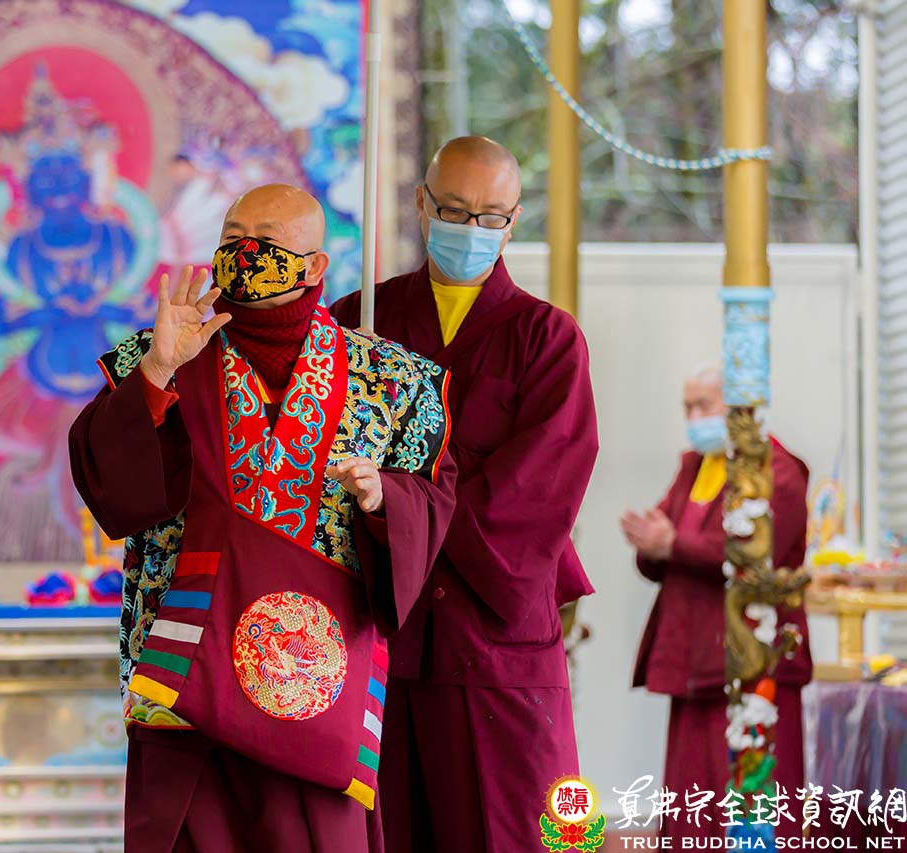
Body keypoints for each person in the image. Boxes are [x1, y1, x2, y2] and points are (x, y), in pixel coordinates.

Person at [69, 184, 458, 852]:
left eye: (267, 241)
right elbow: (111, 488)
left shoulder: (394, 379)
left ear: (315, 266)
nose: (246, 253)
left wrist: (383, 500)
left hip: (314, 679)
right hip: (185, 676)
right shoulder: (158, 355)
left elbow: (432, 503)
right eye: (232, 238)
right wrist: (158, 372)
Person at [330, 136, 599, 851]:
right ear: (422, 204)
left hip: (493, 635)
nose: (470, 229)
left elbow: (544, 484)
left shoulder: (547, 338)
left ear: (513, 221)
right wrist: (391, 505)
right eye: (453, 210)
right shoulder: (360, 321)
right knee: (384, 831)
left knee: (514, 830)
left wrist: (404, 509)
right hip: (379, 628)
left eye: (490, 217)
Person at [621, 365, 812, 841]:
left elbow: (757, 554)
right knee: (692, 800)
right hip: (693, 658)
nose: (693, 418)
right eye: (687, 407)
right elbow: (663, 548)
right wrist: (652, 545)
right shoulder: (697, 466)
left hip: (751, 662)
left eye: (703, 405)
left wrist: (672, 545)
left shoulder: (778, 470)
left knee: (753, 796)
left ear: (740, 407)